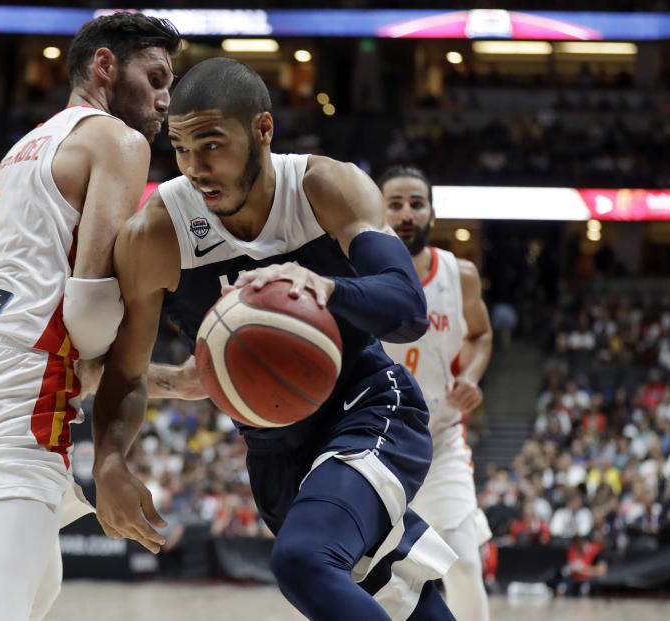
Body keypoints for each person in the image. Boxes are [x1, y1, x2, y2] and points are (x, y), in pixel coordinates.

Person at [92, 57, 457, 620]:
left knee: (305, 562)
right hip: (273, 453)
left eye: (212, 144)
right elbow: (124, 371)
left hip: (367, 408)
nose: (195, 167)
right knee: (399, 598)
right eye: (182, 149)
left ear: (262, 130)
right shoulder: (155, 233)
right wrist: (110, 461)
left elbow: (406, 310)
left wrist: (324, 287)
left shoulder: (323, 186)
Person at [0, 13, 182, 621]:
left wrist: (167, 380)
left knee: (32, 596)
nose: (165, 99)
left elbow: (49, 317)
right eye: (154, 77)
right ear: (105, 66)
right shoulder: (117, 140)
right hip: (17, 385)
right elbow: (89, 315)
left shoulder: (22, 150)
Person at [377, 165, 495, 621]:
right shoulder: (357, 272)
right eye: (395, 204)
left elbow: (480, 335)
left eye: (416, 203)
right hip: (374, 443)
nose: (406, 213)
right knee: (363, 574)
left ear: (431, 213)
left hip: (439, 439)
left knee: (464, 562)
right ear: (379, 212)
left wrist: (473, 376)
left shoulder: (459, 273)